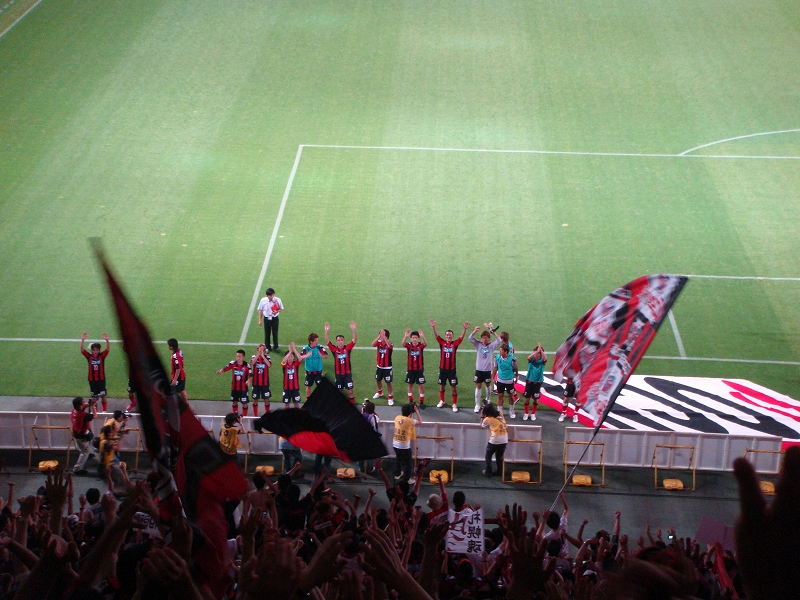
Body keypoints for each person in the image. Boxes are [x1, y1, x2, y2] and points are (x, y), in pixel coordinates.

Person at [430, 320, 469, 412]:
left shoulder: (454, 344)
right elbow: (436, 336)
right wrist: (433, 327)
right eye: (447, 335)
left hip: (452, 370)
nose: (448, 336)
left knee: (453, 387)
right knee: (442, 385)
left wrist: (464, 329)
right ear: (445, 336)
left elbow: (461, 338)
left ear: (452, 336)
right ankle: (442, 400)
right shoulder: (442, 343)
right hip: (442, 369)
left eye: (450, 335)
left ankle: (454, 404)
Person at [468, 326, 501, 412]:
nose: (484, 340)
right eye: (483, 338)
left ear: (489, 338)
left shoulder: (491, 346)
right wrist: (475, 331)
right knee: (478, 386)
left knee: (487, 385)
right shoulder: (478, 344)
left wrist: (493, 332)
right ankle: (477, 405)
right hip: (479, 370)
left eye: (486, 338)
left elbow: (499, 340)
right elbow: (470, 338)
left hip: (487, 370)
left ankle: (488, 399)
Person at [324, 321, 357, 403]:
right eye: (338, 340)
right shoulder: (334, 350)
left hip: (347, 374)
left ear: (344, 341)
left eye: (342, 340)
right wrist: (326, 331)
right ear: (336, 341)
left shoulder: (347, 349)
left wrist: (354, 330)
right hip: (338, 375)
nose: (340, 341)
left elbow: (354, 341)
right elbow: (327, 341)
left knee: (350, 391)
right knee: (340, 391)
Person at [80, 332, 110, 412]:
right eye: (93, 350)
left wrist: (107, 341)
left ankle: (104, 411)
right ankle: (95, 412)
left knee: (103, 395)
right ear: (92, 350)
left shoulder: (102, 356)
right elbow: (82, 350)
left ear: (99, 350)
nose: (95, 352)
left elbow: (107, 350)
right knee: (94, 398)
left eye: (96, 350)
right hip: (92, 381)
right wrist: (82, 340)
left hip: (101, 380)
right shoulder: (89, 357)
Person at [393, 402, 421, 483]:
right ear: (410, 412)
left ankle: (397, 474)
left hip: (395, 444)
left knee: (398, 459)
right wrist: (416, 411)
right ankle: (407, 479)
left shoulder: (397, 418)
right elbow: (420, 422)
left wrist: (411, 412)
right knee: (408, 463)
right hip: (404, 447)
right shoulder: (410, 421)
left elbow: (406, 420)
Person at [217, 349, 252, 415]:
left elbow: (251, 376)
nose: (238, 358)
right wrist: (220, 371)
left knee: (245, 404)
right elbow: (225, 368)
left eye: (240, 356)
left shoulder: (247, 365)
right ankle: (235, 416)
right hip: (234, 388)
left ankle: (244, 417)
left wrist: (249, 381)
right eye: (237, 356)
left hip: (243, 389)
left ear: (243, 357)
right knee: (234, 402)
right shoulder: (233, 363)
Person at [71, 396, 98, 474]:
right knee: (85, 451)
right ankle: (77, 469)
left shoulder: (74, 410)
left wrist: (90, 403)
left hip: (77, 433)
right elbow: (95, 416)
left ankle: (89, 454)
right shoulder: (83, 415)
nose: (85, 403)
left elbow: (84, 406)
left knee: (86, 446)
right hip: (81, 436)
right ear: (80, 406)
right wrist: (93, 406)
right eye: (83, 402)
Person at [402, 328, 428, 408]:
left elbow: (425, 344)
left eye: (416, 337)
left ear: (418, 338)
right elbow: (403, 344)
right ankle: (411, 401)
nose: (414, 339)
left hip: (419, 369)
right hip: (410, 369)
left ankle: (421, 401)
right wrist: (405, 336)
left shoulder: (420, 345)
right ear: (411, 338)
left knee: (420, 385)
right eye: (413, 337)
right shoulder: (409, 345)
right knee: (410, 385)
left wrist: (423, 336)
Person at [480, 403, 508, 477]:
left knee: (488, 456)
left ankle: (488, 472)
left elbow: (482, 426)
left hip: (495, 440)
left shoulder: (487, 419)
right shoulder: (500, 414)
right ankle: (500, 472)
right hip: (504, 440)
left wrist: (482, 415)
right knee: (499, 457)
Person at [300, 333, 328, 402]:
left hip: (318, 372)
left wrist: (321, 355)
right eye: (315, 340)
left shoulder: (319, 347)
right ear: (311, 342)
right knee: (308, 386)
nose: (317, 342)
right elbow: (300, 358)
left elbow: (326, 356)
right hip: (309, 372)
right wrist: (307, 355)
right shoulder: (305, 348)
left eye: (317, 340)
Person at [493, 344, 518, 418]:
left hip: (509, 381)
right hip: (500, 380)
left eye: (501, 350)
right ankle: (500, 412)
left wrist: (517, 376)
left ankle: (511, 411)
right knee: (500, 395)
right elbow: (495, 367)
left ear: (506, 352)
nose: (499, 352)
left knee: (511, 396)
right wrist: (493, 377)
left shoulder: (512, 359)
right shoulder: (497, 357)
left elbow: (516, 368)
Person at [523, 344, 547, 421]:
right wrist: (536, 351)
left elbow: (545, 359)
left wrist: (541, 351)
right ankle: (526, 413)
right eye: (536, 352)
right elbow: (528, 358)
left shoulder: (542, 361)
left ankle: (533, 414)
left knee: (536, 399)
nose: (536, 354)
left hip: (537, 383)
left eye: (538, 353)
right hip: (529, 382)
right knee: (527, 399)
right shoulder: (531, 360)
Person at [256, 287, 283, 352]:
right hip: (267, 318)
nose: (271, 297)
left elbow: (281, 308)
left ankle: (276, 347)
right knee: (267, 333)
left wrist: (277, 311)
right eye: (270, 295)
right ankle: (267, 347)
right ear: (267, 295)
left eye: (272, 295)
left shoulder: (278, 300)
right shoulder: (263, 300)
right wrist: (259, 320)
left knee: (275, 333)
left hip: (275, 318)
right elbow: (261, 310)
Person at [372, 328, 394, 405]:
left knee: (388, 382)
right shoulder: (379, 343)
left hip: (387, 367)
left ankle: (390, 397)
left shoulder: (390, 344)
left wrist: (384, 337)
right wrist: (379, 337)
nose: (381, 336)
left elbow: (389, 346)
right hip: (379, 366)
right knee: (378, 380)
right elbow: (373, 344)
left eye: (383, 335)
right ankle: (380, 392)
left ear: (386, 336)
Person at [249, 343, 272, 416]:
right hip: (256, 383)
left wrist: (262, 356)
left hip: (265, 383)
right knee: (255, 400)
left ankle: (267, 415)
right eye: (260, 349)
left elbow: (269, 365)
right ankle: (255, 415)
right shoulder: (254, 357)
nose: (261, 350)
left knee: (266, 400)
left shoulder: (267, 357)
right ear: (257, 349)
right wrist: (258, 355)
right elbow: (252, 363)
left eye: (263, 349)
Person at [281, 342, 303, 408]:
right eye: (289, 357)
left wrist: (294, 349)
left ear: (293, 358)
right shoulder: (285, 365)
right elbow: (283, 361)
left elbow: (300, 358)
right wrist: (290, 352)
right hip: (286, 388)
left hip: (295, 388)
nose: (290, 358)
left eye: (291, 357)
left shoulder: (295, 364)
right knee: (286, 404)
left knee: (296, 404)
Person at [362, 400, 380, 473]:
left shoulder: (361, 415)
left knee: (360, 452)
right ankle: (370, 468)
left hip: (361, 437)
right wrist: (373, 412)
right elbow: (378, 418)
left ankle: (360, 467)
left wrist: (363, 412)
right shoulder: (373, 417)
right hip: (370, 438)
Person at [167, 338, 188, 403]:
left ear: (171, 346)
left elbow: (178, 368)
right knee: (182, 390)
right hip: (182, 375)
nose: (168, 346)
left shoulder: (175, 356)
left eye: (168, 345)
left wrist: (174, 380)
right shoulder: (179, 351)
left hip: (178, 377)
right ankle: (186, 404)